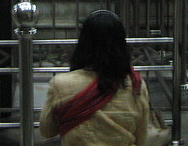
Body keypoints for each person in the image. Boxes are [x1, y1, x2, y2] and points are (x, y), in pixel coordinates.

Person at [40, 9, 151, 145]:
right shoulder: (135, 84)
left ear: (83, 43)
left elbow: (47, 131)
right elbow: (142, 137)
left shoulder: (61, 84)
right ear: (121, 44)